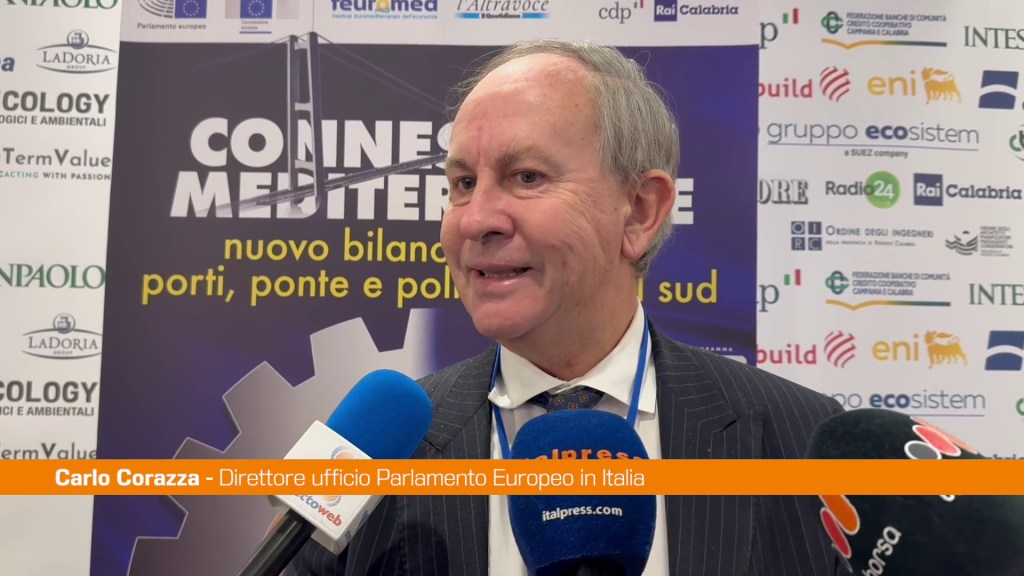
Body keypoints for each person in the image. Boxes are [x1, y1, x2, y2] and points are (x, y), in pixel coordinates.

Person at [287, 39, 843, 576]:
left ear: (639, 211)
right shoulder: (369, 453)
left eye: (526, 177)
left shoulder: (806, 443)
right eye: (463, 183)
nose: (476, 219)